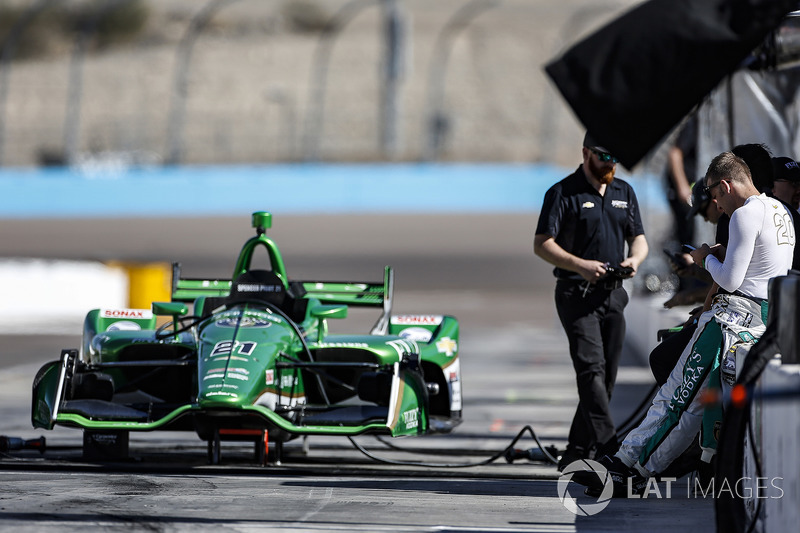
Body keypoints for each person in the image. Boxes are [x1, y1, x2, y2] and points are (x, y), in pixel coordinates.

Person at [579, 151, 795, 494]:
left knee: (675, 397)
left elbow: (731, 279)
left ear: (725, 185)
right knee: (693, 407)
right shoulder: (778, 210)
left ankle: (621, 465)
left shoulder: (745, 214)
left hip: (730, 320)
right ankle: (639, 472)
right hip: (763, 323)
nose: (716, 205)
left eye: (713, 195)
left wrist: (704, 258)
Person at [534, 132, 649, 471]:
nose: (610, 164)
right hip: (575, 295)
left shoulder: (623, 191)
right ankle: (608, 446)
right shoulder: (561, 192)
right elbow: (542, 244)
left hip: (614, 295)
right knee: (590, 372)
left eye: (614, 158)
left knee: (607, 377)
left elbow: (638, 239)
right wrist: (580, 266)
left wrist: (635, 261)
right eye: (603, 157)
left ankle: (576, 450)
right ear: (586, 153)